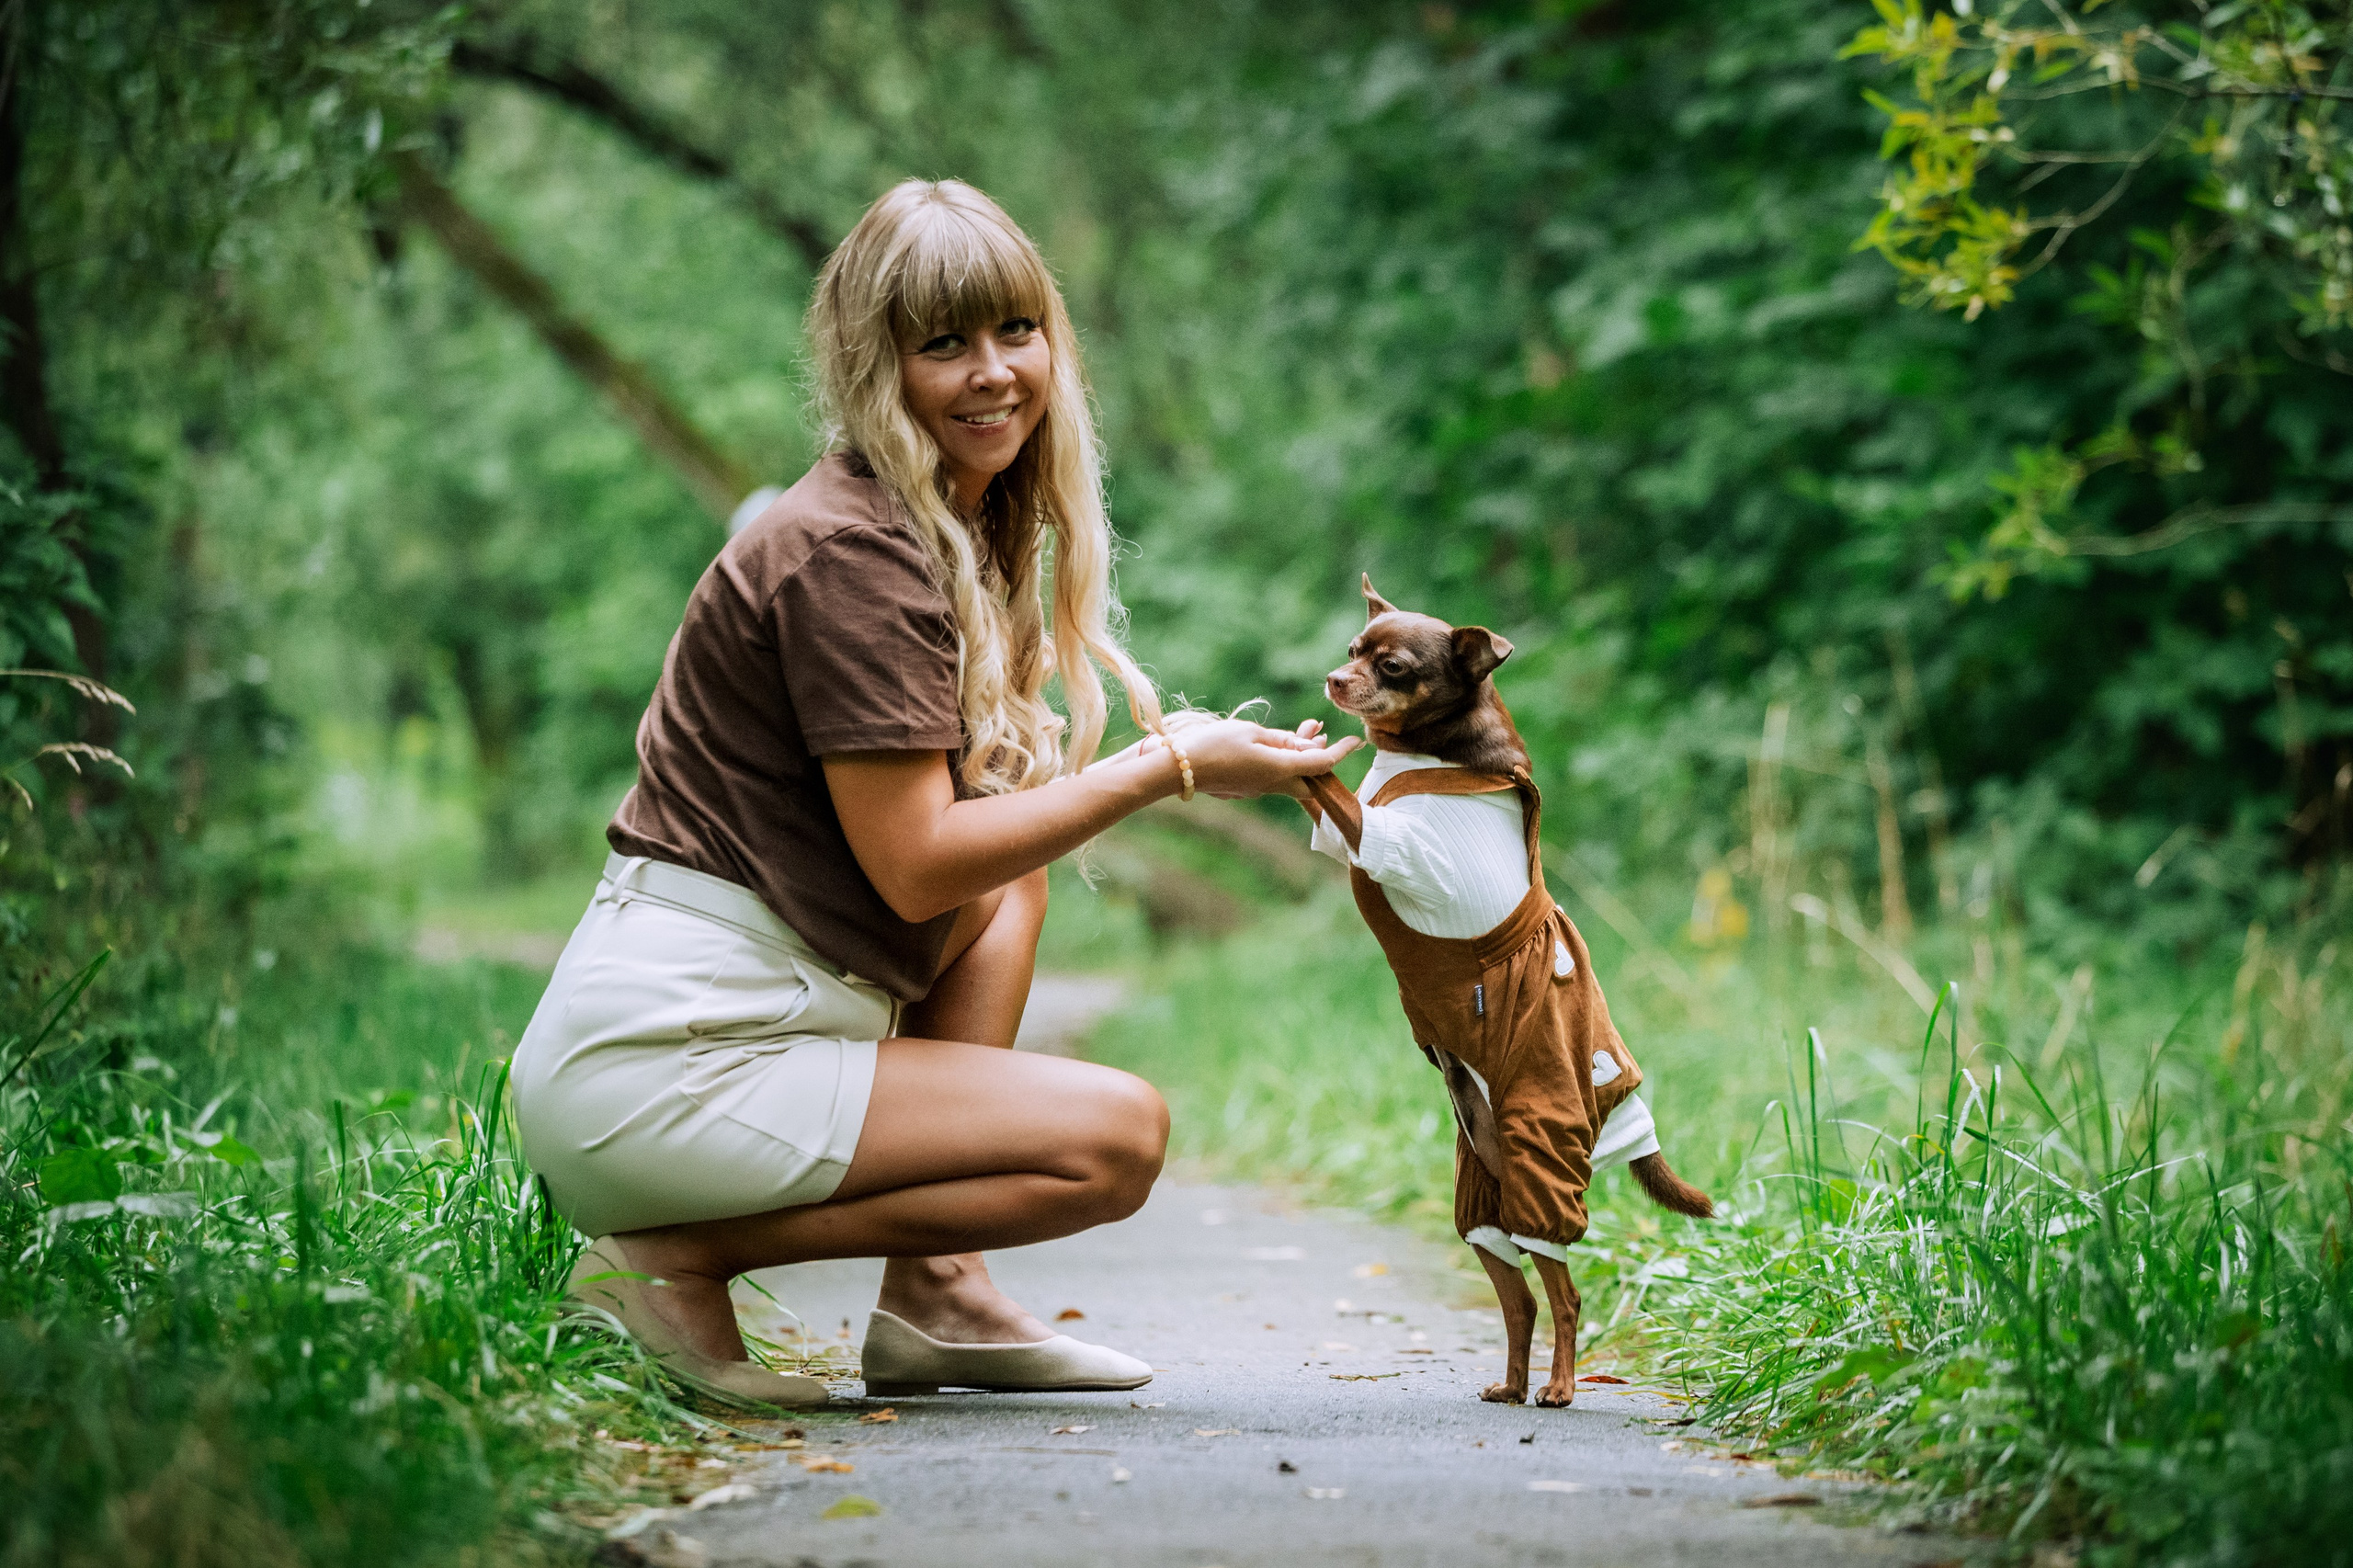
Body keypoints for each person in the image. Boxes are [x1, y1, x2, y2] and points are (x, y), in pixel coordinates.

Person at [509, 177, 1356, 1408]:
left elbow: (970, 861)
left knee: (1013, 874)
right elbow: (913, 863)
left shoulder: (935, 528)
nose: (994, 372)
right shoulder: (850, 548)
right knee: (1115, 1135)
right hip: (662, 1068)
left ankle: (930, 1286)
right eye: (943, 343)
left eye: (1016, 331)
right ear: (877, 364)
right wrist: (1167, 766)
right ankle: (671, 1258)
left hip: (726, 1039)